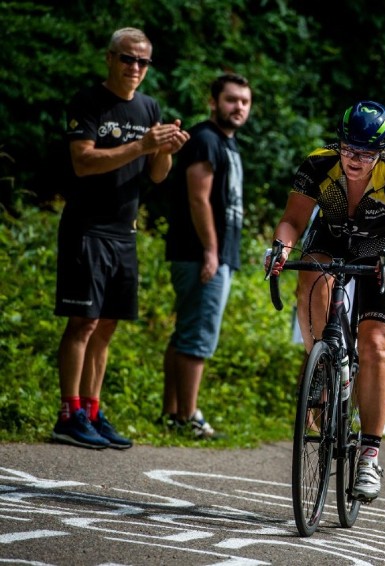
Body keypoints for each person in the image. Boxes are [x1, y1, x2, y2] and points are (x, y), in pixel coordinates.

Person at [269, 101, 385, 502]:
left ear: (383, 152)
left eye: (366, 153)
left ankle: (370, 453)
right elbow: (292, 221)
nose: (355, 159)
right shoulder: (319, 164)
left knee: (374, 345)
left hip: (382, 249)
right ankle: (324, 360)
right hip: (331, 237)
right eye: (349, 149)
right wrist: (281, 247)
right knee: (310, 271)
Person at [52, 28, 189, 449]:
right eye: (128, 59)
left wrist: (164, 149)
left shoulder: (149, 107)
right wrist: (142, 144)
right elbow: (83, 162)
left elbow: (157, 175)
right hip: (87, 227)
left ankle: (92, 410)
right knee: (84, 321)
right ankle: (68, 413)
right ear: (110, 58)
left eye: (142, 62)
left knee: (107, 325)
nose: (135, 68)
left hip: (123, 232)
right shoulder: (88, 101)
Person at [160, 73, 252, 439]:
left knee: (186, 333)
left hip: (210, 253)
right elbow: (198, 197)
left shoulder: (225, 143)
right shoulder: (205, 140)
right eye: (231, 100)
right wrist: (212, 252)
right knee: (198, 337)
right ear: (213, 102)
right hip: (201, 254)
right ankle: (189, 417)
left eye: (244, 101)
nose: (238, 107)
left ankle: (172, 414)